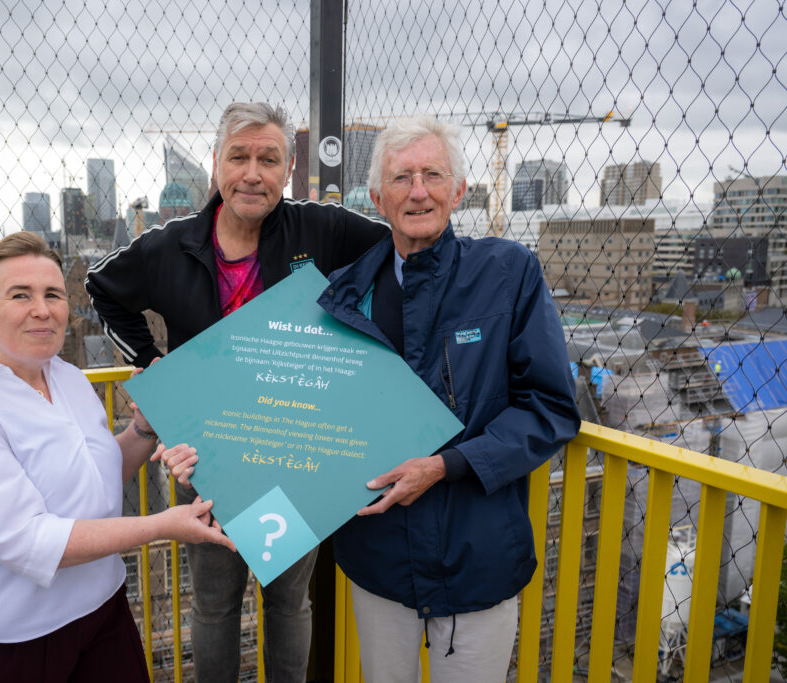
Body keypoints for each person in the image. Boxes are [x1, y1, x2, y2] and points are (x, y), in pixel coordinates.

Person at [85, 102, 388, 682]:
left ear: (289, 168)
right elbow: (101, 287)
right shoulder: (170, 244)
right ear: (216, 163)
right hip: (206, 452)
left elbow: (395, 252)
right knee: (214, 603)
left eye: (268, 160)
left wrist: (355, 340)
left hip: (292, 446)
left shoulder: (320, 228)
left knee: (288, 601)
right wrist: (150, 363)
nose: (252, 173)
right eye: (239, 157)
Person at [315, 116, 581, 681]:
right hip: (379, 556)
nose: (418, 191)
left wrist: (446, 465)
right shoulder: (342, 295)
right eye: (402, 178)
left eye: (432, 175)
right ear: (377, 199)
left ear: (458, 191)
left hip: (476, 558)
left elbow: (551, 407)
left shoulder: (508, 273)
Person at [0, 232, 234, 683]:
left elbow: (96, 477)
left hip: (101, 610)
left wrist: (143, 429)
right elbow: (27, 540)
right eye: (20, 295)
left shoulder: (67, 378)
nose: (42, 309)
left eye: (53, 295)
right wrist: (162, 525)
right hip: (4, 635)